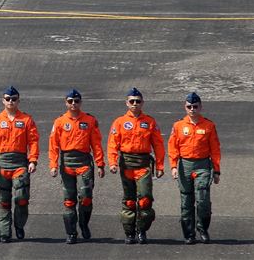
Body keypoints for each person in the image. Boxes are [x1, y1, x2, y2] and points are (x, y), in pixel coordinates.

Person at [107, 87, 165, 245]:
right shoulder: (119, 122)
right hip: (126, 164)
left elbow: (158, 145)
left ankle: (142, 230)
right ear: (127, 103)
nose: (134, 104)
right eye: (131, 101)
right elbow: (112, 144)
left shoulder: (150, 122)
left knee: (145, 200)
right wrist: (112, 163)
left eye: (137, 101)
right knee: (129, 201)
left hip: (143, 165)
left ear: (142, 103)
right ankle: (129, 232)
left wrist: (160, 166)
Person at [48, 88, 105, 244]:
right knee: (69, 200)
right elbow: (53, 145)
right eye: (70, 101)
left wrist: (100, 164)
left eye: (77, 101)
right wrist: (53, 164)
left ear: (81, 102)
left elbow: (97, 144)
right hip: (67, 162)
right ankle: (71, 232)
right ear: (66, 103)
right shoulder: (59, 122)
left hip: (84, 161)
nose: (74, 104)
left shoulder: (89, 120)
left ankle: (83, 223)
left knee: (86, 197)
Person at [0, 86, 39, 243]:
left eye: (13, 99)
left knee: (21, 197)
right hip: (2, 163)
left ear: (18, 101)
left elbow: (33, 141)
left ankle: (19, 225)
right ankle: (4, 232)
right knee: (4, 200)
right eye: (8, 99)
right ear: (3, 101)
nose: (10, 102)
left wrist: (33, 160)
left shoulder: (27, 120)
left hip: (20, 162)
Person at [168, 92, 221, 244]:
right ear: (185, 107)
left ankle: (203, 229)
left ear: (200, 107)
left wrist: (216, 170)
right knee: (186, 201)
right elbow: (173, 147)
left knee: (203, 200)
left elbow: (215, 149)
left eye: (195, 106)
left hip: (203, 165)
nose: (192, 109)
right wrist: (173, 166)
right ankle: (189, 233)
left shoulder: (209, 125)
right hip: (185, 165)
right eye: (189, 106)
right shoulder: (178, 125)